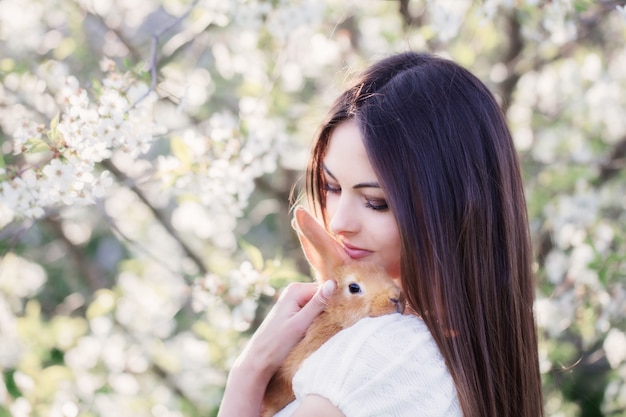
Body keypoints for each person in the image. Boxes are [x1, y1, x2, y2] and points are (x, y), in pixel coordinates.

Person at [217, 51, 544, 417]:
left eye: (376, 202)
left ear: (451, 210)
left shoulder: (377, 356)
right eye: (331, 187)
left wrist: (247, 376)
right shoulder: (470, 361)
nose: (340, 222)